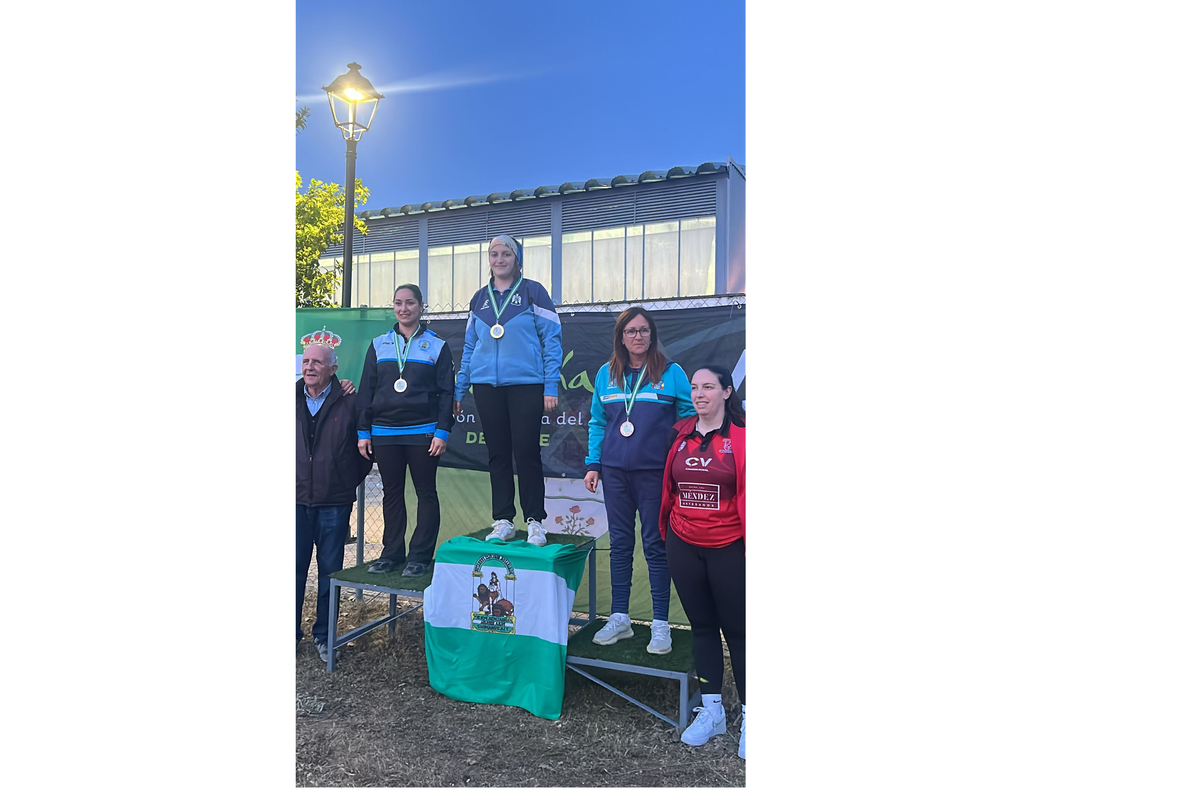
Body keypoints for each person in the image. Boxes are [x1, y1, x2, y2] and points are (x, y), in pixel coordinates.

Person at [583, 307, 695, 655]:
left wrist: (677, 457)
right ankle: (620, 618)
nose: (638, 336)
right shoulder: (606, 374)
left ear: (652, 334)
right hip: (615, 472)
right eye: (631, 331)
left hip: (655, 474)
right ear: (621, 336)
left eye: (644, 330)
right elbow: (598, 422)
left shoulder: (671, 372)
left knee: (655, 544)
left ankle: (661, 623)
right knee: (620, 544)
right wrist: (593, 464)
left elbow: (689, 418)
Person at [659, 365, 746, 759]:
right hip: (684, 544)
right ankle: (713, 711)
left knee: (740, 632)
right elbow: (670, 487)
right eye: (694, 387)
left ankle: (752, 715)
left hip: (729, 545)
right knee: (702, 627)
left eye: (708, 387)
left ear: (726, 392)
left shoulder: (744, 436)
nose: (699, 394)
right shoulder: (680, 434)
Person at [454, 234, 562, 546]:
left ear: (517, 259)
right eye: (494, 254)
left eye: (506, 254)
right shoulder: (479, 299)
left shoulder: (533, 292)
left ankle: (535, 521)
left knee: (527, 452)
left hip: (527, 384)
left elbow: (552, 340)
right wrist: (460, 389)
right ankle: (503, 520)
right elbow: (470, 347)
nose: (499, 260)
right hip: (486, 385)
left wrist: (550, 385)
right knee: (497, 454)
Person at [358, 284, 456, 577]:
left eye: (410, 303)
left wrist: (442, 431)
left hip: (423, 431)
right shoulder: (379, 344)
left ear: (421, 307)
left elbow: (447, 392)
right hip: (384, 432)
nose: (404, 308)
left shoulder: (437, 345)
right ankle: (391, 555)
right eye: (398, 303)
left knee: (426, 492)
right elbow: (366, 390)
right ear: (394, 307)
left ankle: (420, 557)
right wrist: (363, 431)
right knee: (391, 493)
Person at [297, 343, 373, 664]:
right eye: (306, 361)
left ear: (333, 369)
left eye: (317, 362)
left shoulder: (350, 401)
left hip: (334, 503)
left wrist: (344, 483)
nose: (310, 367)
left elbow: (365, 451)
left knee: (330, 574)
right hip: (294, 501)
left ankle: (325, 637)